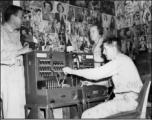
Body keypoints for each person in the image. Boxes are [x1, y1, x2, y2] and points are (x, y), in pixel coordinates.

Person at [62, 37, 143, 118]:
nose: (103, 52)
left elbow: (96, 74)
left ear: (113, 50)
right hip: (129, 101)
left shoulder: (119, 60)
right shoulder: (123, 59)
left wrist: (72, 71)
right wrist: (93, 83)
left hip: (128, 102)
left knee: (86, 115)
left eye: (105, 49)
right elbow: (108, 82)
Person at [1, 5, 33, 118]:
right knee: (12, 113)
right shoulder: (1, 32)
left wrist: (24, 47)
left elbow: (18, 52)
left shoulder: (16, 34)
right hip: (9, 80)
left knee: (21, 111)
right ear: (13, 17)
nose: (22, 20)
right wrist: (20, 51)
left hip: (19, 78)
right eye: (21, 17)